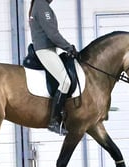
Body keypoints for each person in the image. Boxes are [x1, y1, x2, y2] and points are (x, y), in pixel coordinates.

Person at [28, 0, 78, 135]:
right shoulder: (41, 5)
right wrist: (69, 47)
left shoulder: (39, 5)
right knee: (65, 81)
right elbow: (52, 34)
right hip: (45, 50)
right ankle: (54, 121)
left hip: (49, 49)